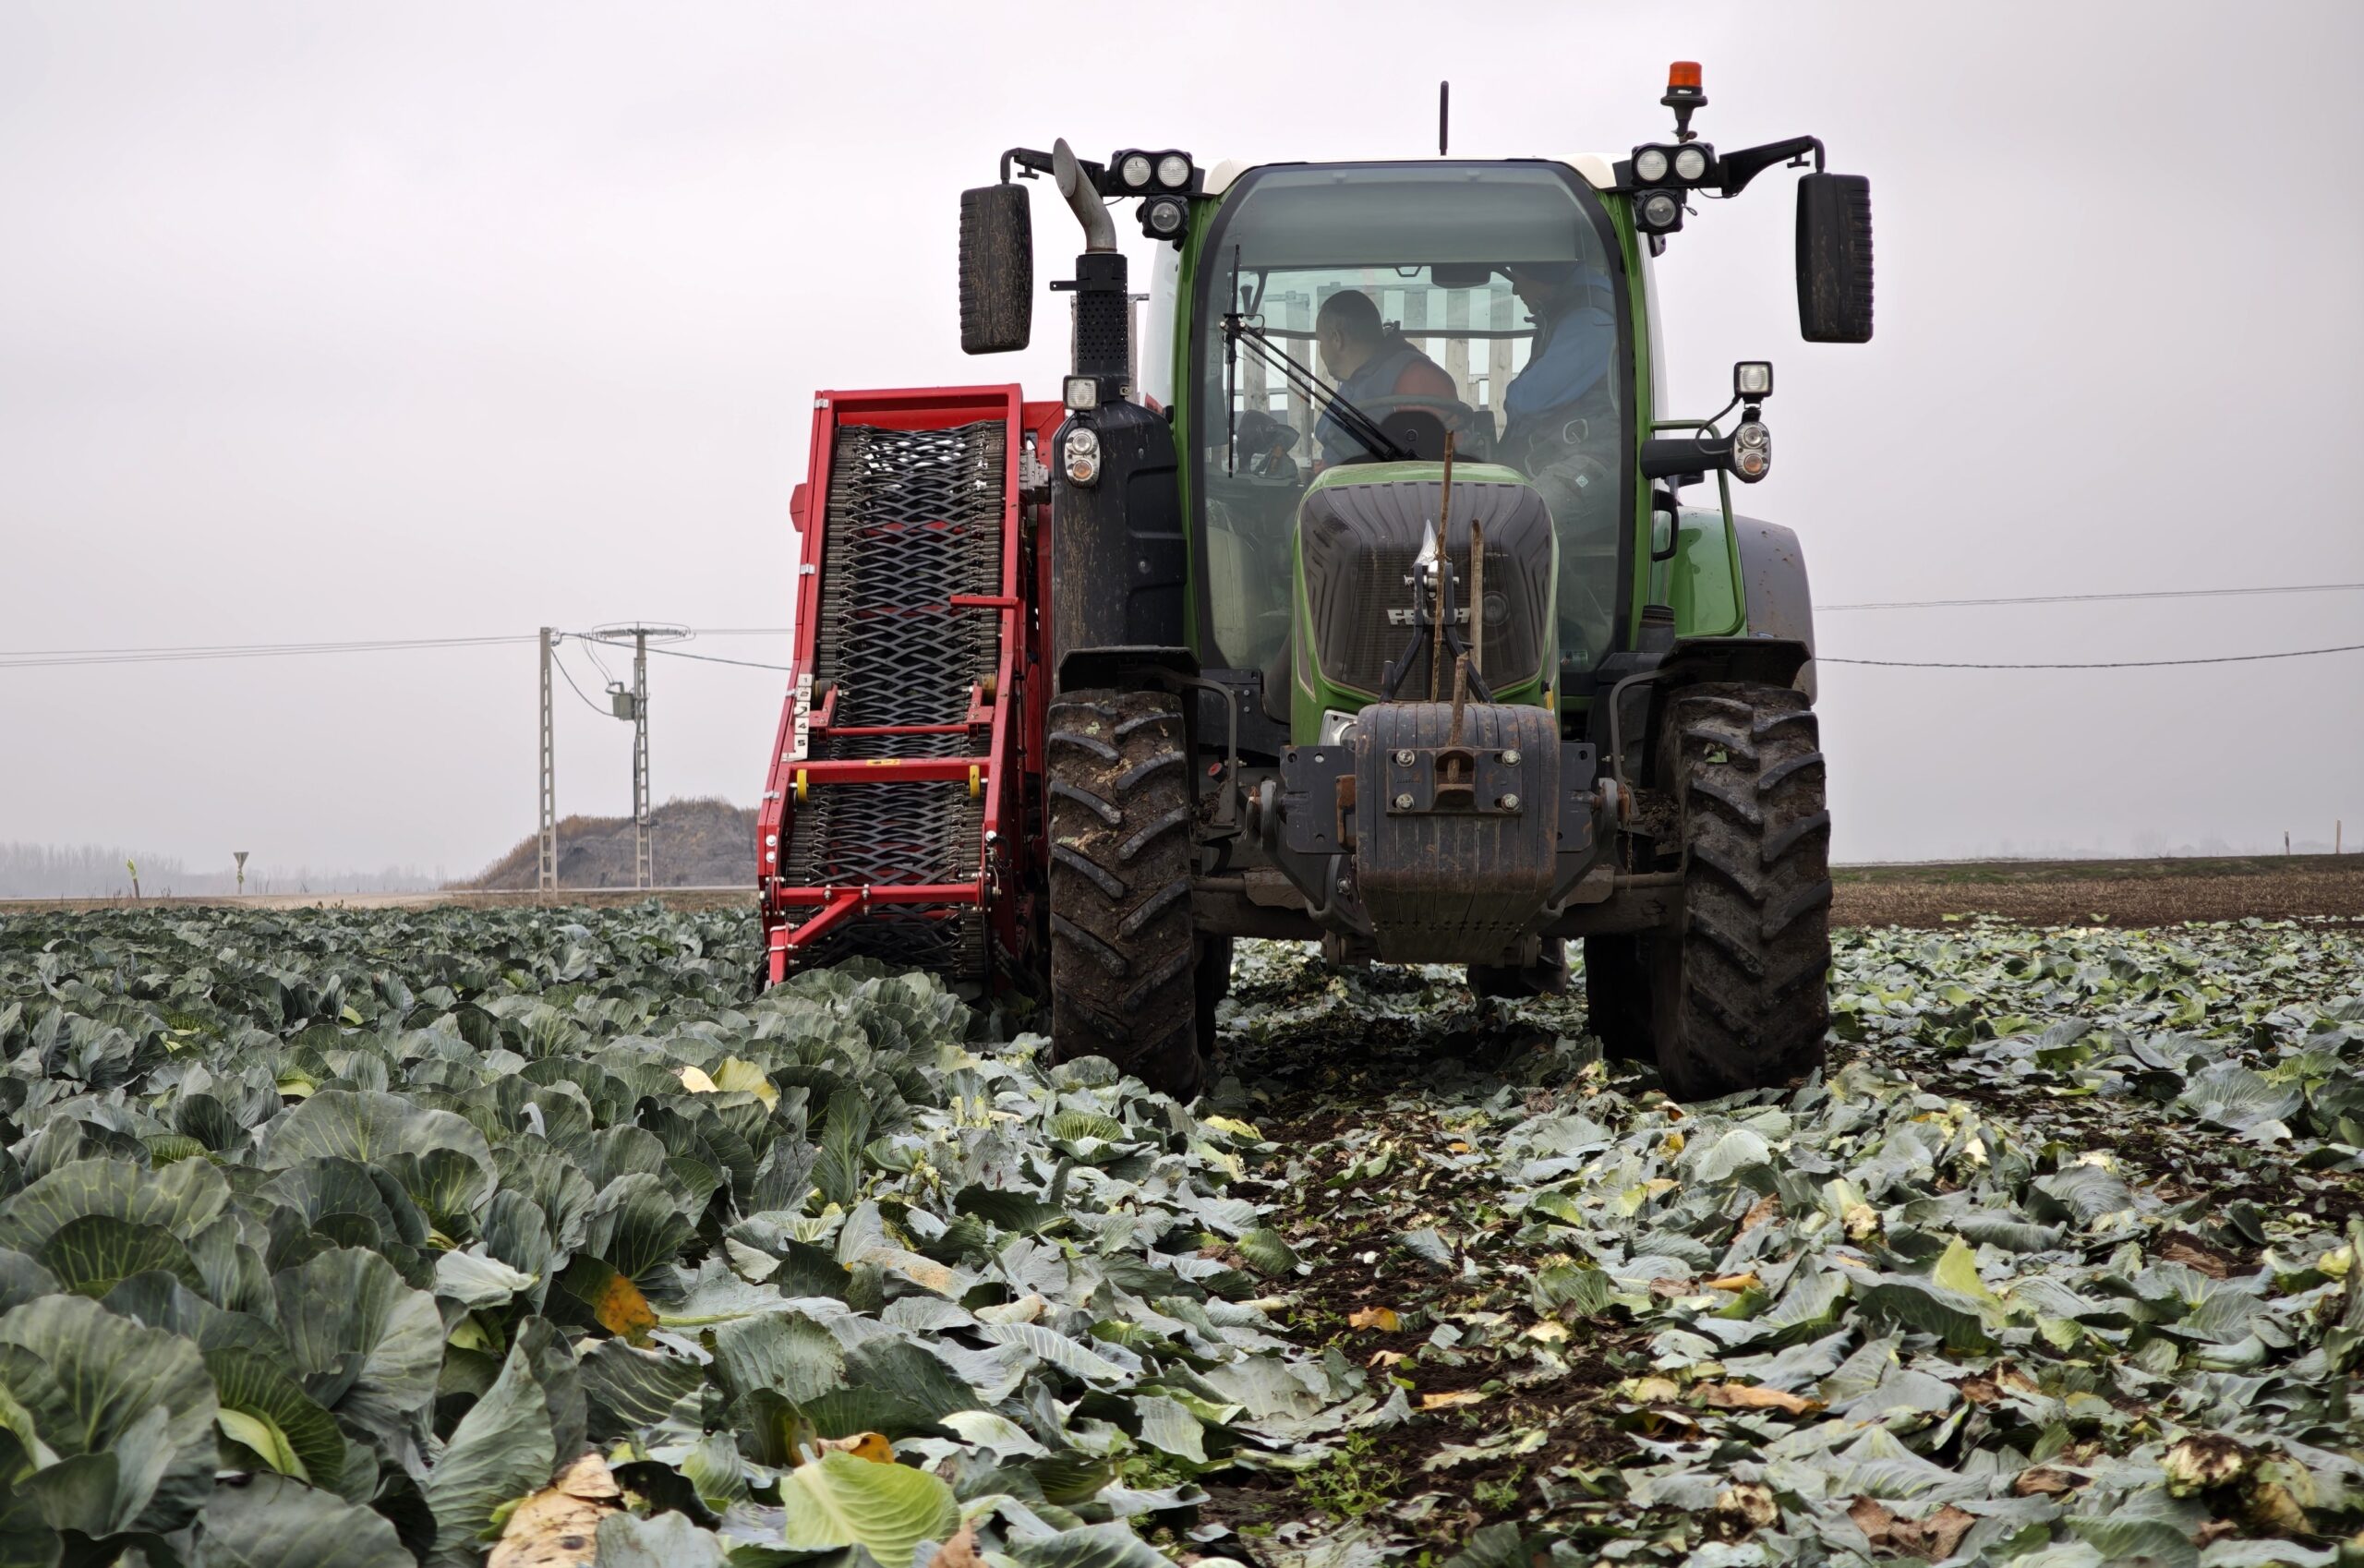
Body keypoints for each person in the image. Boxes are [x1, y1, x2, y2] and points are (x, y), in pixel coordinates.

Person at [1499, 259, 1622, 669]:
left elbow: (1527, 397)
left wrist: (1514, 389)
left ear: (1546, 274)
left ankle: (1591, 634)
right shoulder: (1571, 311)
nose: (1517, 290)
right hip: (1562, 458)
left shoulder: (1590, 319)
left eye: (1520, 278)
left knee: (1527, 525)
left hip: (1597, 461)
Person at [1309, 289, 1458, 466]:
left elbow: (1427, 469)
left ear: (1336, 339)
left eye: (1320, 341)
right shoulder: (1358, 381)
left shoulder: (1417, 379)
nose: (1320, 350)